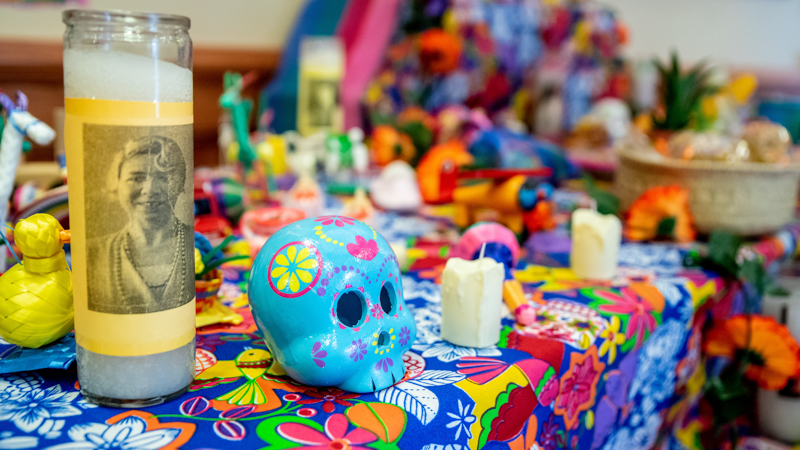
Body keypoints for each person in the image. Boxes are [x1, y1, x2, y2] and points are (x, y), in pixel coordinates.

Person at [88, 135, 193, 314]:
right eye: (136, 178)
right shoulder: (92, 254)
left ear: (180, 182)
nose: (150, 189)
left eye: (163, 178)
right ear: (117, 184)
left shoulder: (195, 245)